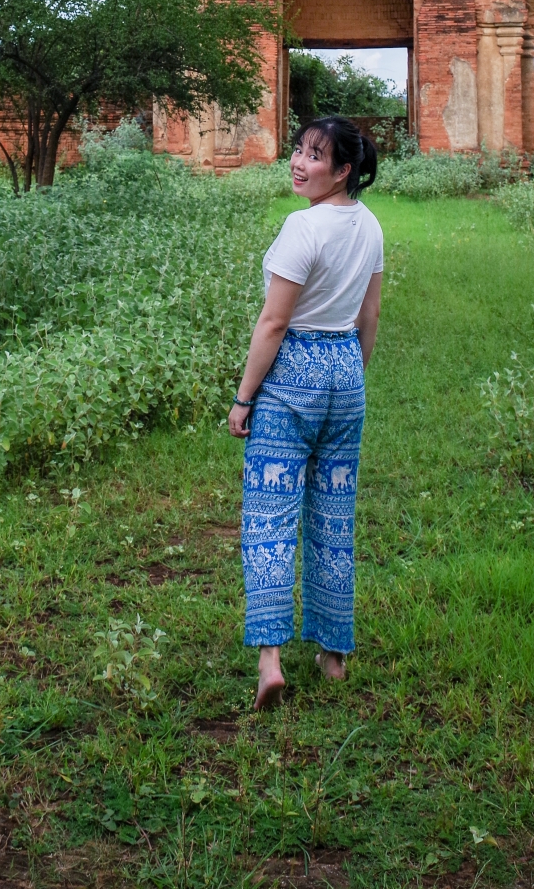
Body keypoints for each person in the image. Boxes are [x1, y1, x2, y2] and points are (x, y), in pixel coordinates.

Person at [228, 114, 384, 712]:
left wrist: (245, 398)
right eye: (298, 149)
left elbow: (273, 322)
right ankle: (333, 655)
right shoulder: (369, 226)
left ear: (344, 169)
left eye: (314, 155)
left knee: (271, 514)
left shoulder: (303, 227)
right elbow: (368, 317)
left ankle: (270, 659)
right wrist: (351, 376)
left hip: (294, 370)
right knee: (333, 516)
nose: (298, 161)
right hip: (346, 370)